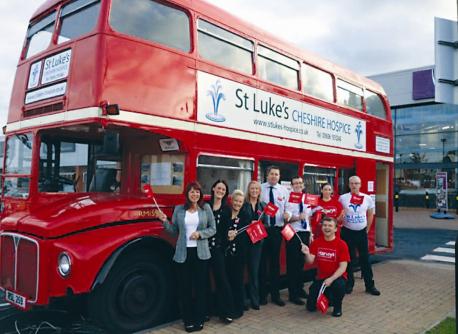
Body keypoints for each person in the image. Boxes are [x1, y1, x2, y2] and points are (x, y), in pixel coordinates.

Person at [158, 181, 216, 333]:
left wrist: (200, 234)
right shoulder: (179, 209)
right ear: (187, 194)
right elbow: (173, 230)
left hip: (201, 254)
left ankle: (200, 318)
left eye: (197, 192)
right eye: (191, 192)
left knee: (200, 288)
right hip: (183, 254)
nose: (194, 194)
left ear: (200, 194)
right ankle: (188, 320)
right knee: (185, 288)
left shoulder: (206, 208)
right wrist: (165, 221)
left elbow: (213, 229)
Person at [339, 175, 381, 296]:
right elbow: (339, 213)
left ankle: (370, 285)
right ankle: (349, 284)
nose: (354, 185)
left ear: (360, 185)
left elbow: (370, 215)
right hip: (347, 232)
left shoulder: (367, 198)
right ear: (348, 185)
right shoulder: (343, 198)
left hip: (361, 232)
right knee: (348, 260)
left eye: (356, 183)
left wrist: (367, 230)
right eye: (352, 183)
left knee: (365, 260)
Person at [302, 216, 350, 317]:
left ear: (336, 229)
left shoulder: (342, 244)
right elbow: (310, 261)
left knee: (339, 285)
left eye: (330, 226)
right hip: (321, 278)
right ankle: (328, 297)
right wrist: (306, 253)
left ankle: (337, 307)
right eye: (324, 225)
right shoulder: (316, 242)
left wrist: (331, 279)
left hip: (337, 278)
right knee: (310, 307)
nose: (327, 228)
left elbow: (343, 267)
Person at [260, 166, 289, 306]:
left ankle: (275, 295)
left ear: (279, 176)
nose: (274, 176)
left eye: (276, 174)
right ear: (267, 175)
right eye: (271, 174)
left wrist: (287, 215)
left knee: (275, 263)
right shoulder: (260, 188)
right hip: (263, 230)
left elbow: (287, 208)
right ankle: (262, 295)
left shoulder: (284, 191)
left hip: (276, 230)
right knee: (262, 263)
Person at [206, 180, 235, 323]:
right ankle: (207, 311)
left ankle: (227, 312)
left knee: (222, 280)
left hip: (218, 249)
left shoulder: (227, 209)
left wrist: (230, 236)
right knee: (204, 281)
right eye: (219, 188)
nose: (221, 191)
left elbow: (227, 229)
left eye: (223, 189)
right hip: (204, 249)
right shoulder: (205, 206)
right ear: (213, 188)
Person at [221, 190, 250, 319]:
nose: (237, 203)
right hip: (226, 255)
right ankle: (227, 308)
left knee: (238, 281)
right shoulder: (225, 214)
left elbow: (246, 237)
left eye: (240, 201)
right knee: (227, 282)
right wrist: (227, 236)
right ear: (231, 200)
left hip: (239, 255)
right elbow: (220, 231)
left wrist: (235, 237)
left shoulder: (245, 216)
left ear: (243, 203)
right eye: (236, 201)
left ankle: (238, 308)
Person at [284, 176, 313, 305]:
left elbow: (308, 218)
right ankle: (293, 294)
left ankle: (300, 289)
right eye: (295, 183)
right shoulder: (288, 199)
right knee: (293, 264)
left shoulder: (306, 198)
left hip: (305, 232)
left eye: (300, 183)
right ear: (291, 185)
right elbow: (286, 218)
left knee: (301, 262)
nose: (298, 185)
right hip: (293, 233)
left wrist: (310, 232)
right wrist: (297, 218)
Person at [242, 180, 268, 310]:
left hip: (257, 242)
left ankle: (254, 299)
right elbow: (239, 221)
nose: (254, 191)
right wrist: (249, 224)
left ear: (259, 191)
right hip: (244, 241)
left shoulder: (263, 206)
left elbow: (267, 224)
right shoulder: (243, 204)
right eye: (252, 189)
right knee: (241, 271)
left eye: (256, 189)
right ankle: (242, 299)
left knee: (254, 271)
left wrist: (259, 225)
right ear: (249, 190)